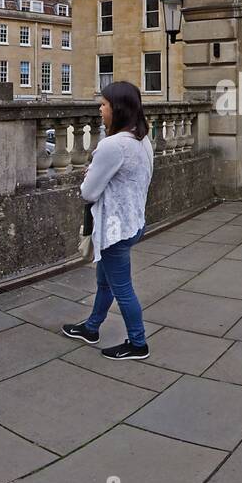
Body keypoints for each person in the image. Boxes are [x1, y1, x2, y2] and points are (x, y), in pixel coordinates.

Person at [61, 81, 155, 360]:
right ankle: (91, 327)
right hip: (133, 221)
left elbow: (88, 192)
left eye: (104, 104)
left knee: (123, 289)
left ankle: (138, 343)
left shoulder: (112, 145)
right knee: (105, 283)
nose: (100, 109)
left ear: (118, 109)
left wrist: (91, 172)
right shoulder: (142, 139)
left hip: (115, 229)